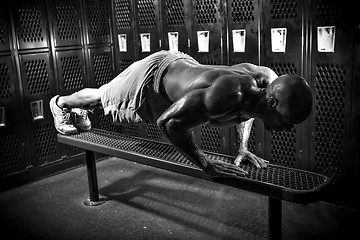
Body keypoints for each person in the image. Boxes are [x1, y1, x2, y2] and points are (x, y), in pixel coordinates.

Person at [50, 50, 313, 178]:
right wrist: (206, 165)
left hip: (181, 65)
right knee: (103, 96)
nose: (287, 129)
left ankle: (76, 107)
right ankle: (61, 104)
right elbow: (168, 123)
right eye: (288, 122)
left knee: (104, 98)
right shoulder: (226, 94)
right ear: (272, 103)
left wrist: (242, 148)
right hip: (152, 77)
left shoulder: (267, 82)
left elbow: (248, 111)